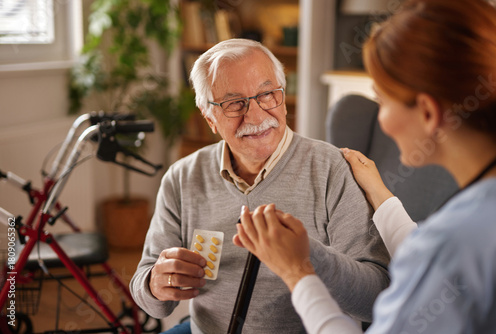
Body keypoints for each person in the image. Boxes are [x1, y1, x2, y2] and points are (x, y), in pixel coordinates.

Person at [234, 0, 496, 333]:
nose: (380, 120)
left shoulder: (450, 246)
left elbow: (437, 257)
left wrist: (297, 272)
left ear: (429, 114)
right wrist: (380, 194)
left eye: (382, 101)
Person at [129, 38, 391, 333]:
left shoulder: (333, 170)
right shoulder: (182, 177)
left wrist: (307, 255)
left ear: (282, 94)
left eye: (267, 94)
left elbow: (376, 297)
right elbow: (147, 294)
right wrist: (155, 284)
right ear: (210, 118)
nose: (255, 116)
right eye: (234, 103)